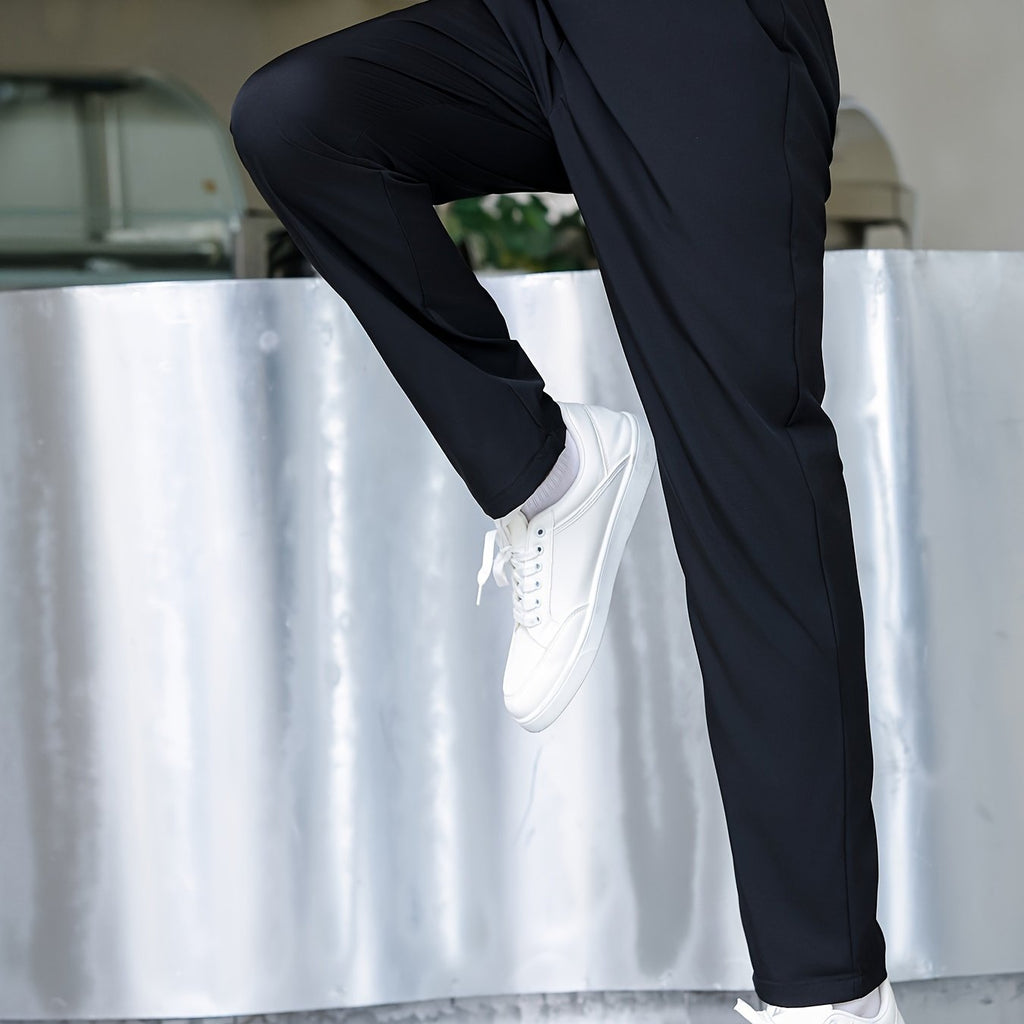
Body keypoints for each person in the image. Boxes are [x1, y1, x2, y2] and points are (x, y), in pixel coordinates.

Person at [227, 0, 904, 1019]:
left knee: (746, 494)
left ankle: (829, 993)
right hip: (531, 24)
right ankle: (546, 471)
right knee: (300, 118)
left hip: (697, 34)